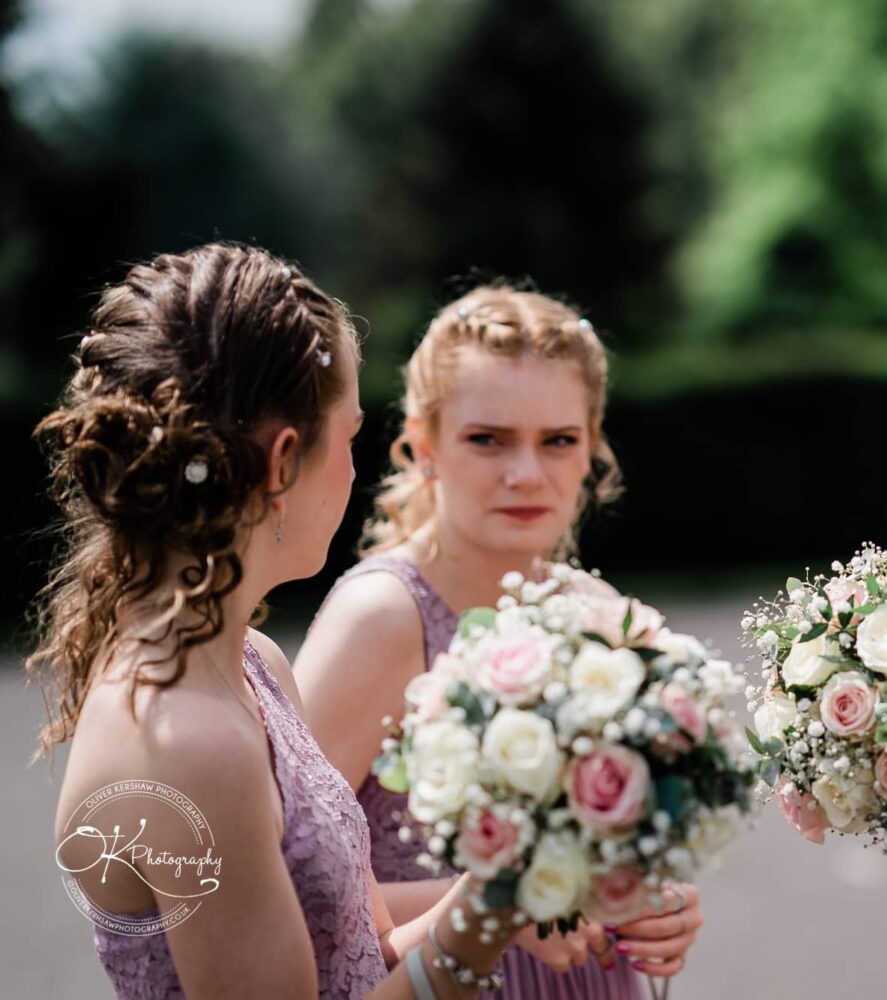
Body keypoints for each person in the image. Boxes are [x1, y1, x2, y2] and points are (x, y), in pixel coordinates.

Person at [35, 244, 531, 999]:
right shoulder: (186, 741)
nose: (358, 470)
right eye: (352, 435)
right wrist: (478, 938)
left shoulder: (254, 662)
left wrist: (526, 888)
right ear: (282, 459)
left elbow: (364, 948)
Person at [295, 286, 702, 998]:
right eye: (488, 439)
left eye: (558, 441)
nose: (525, 473)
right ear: (425, 446)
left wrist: (657, 905)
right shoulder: (382, 616)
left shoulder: (602, 615)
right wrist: (497, 907)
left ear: (591, 449)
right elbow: (292, 895)